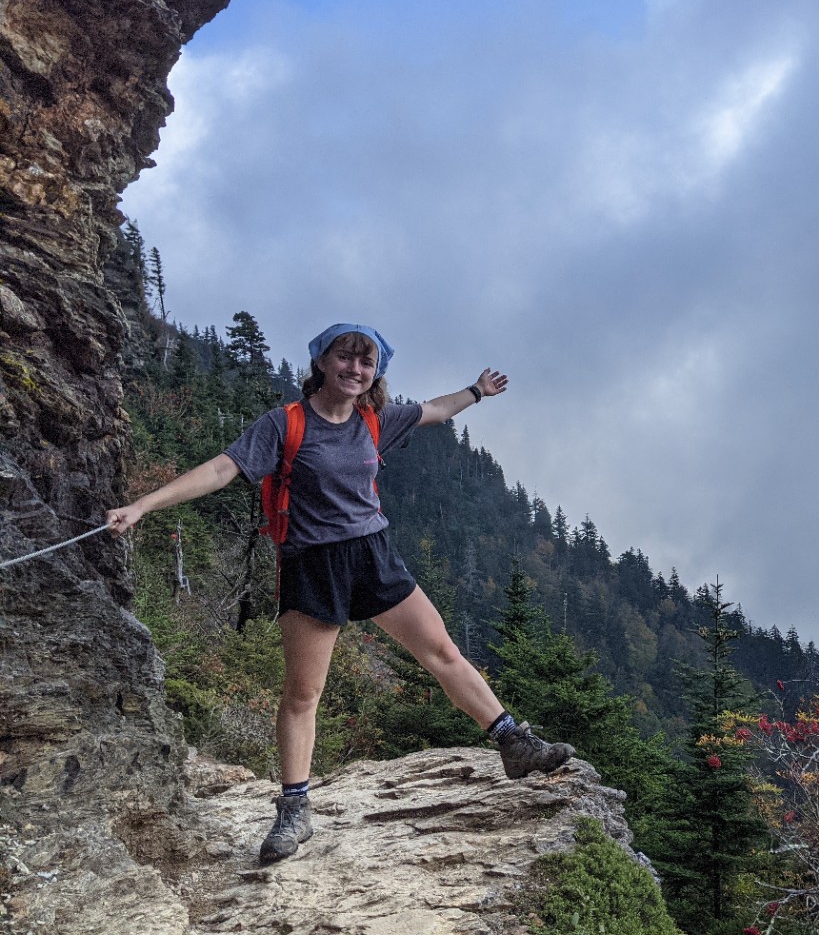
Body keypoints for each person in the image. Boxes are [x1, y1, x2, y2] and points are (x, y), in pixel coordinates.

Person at [106, 323, 574, 864]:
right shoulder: (285, 424)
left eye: (366, 362)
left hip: (372, 553)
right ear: (322, 362)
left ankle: (514, 744)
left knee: (442, 652)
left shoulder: (375, 420)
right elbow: (221, 469)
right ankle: (294, 807)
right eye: (345, 358)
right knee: (304, 694)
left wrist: (476, 391)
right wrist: (142, 506)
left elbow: (434, 411)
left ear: (376, 372)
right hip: (311, 564)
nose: (355, 369)